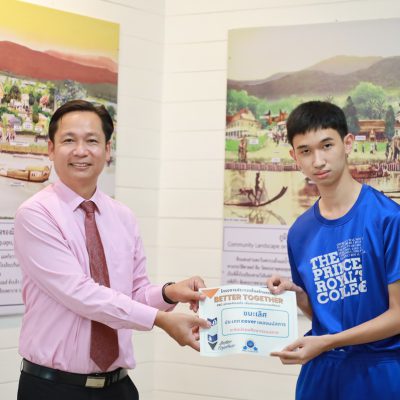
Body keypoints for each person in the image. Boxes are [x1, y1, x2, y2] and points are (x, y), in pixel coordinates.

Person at [14, 100, 210, 400]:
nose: (81, 151)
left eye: (92, 141)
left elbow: (134, 293)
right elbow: (81, 294)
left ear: (107, 150)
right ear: (51, 149)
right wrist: (160, 320)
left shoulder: (123, 216)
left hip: (118, 387)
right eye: (69, 140)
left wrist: (169, 293)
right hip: (53, 388)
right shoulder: (36, 214)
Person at [266, 101, 400, 400]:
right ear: (294, 157)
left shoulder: (388, 219)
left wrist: (328, 341)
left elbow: (398, 315)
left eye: (327, 145)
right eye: (305, 151)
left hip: (380, 371)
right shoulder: (300, 232)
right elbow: (323, 313)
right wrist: (298, 295)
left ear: (347, 143)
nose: (318, 160)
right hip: (320, 372)